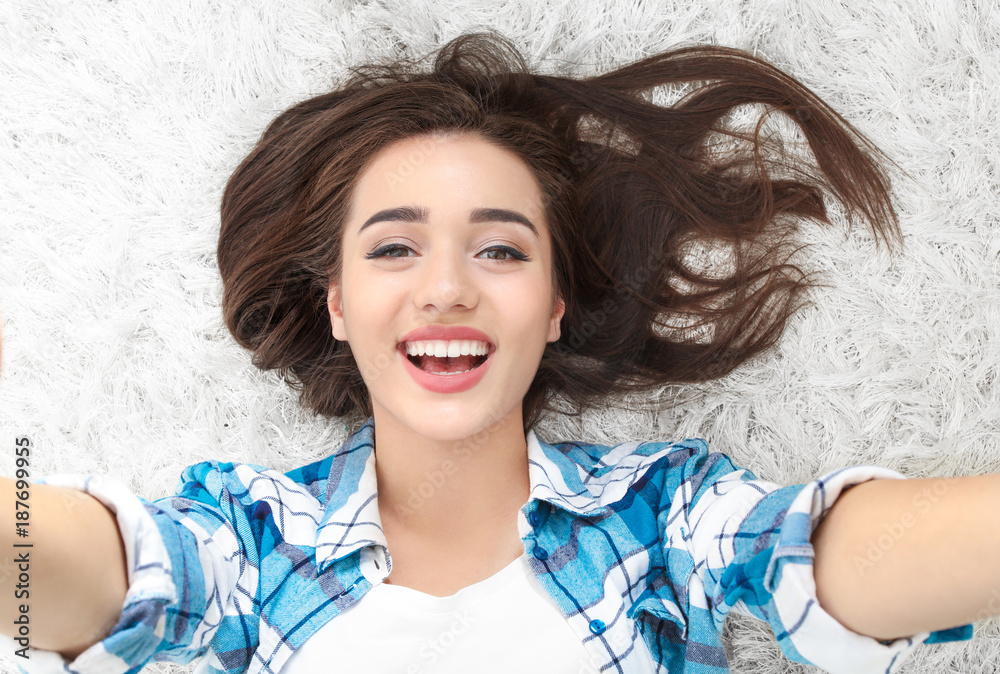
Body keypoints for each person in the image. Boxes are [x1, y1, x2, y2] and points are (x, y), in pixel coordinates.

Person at [0, 31, 994, 673]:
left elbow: (816, 555)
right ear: (338, 304)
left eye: (500, 248)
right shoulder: (252, 540)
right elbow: (99, 572)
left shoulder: (658, 517)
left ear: (554, 304)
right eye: (394, 246)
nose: (445, 286)